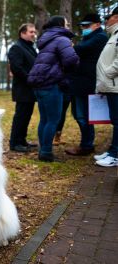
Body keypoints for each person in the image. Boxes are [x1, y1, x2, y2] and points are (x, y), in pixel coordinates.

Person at [27, 16, 79, 162]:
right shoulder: (62, 40)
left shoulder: (46, 40)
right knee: (53, 119)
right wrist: (74, 55)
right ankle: (46, 153)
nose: (68, 26)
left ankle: (43, 150)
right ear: (61, 25)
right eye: (67, 24)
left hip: (40, 84)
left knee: (44, 119)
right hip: (52, 84)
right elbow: (71, 60)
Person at [65, 13, 108, 156]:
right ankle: (86, 143)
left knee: (84, 117)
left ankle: (86, 145)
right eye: (82, 26)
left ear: (97, 24)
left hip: (87, 83)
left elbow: (80, 50)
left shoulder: (100, 37)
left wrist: (69, 46)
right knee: (80, 115)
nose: (83, 28)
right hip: (80, 83)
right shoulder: (89, 37)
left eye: (86, 25)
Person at [7, 23, 38, 152]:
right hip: (23, 88)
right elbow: (17, 68)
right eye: (31, 32)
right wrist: (30, 79)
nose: (33, 34)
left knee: (27, 115)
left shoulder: (30, 47)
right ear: (23, 33)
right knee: (20, 116)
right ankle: (14, 143)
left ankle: (22, 140)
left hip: (30, 88)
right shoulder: (16, 48)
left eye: (34, 32)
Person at [94, 7, 118, 167]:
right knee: (116, 120)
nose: (106, 20)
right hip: (111, 86)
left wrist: (108, 74)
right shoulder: (114, 35)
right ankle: (112, 151)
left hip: (115, 86)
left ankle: (115, 155)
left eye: (108, 16)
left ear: (116, 17)